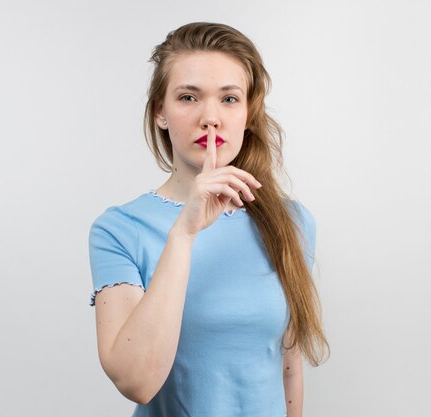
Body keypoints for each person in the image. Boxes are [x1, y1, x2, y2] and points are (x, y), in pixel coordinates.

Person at [87, 22, 329, 417]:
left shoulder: (292, 221)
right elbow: (137, 381)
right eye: (188, 97)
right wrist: (184, 232)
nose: (210, 117)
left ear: (248, 114)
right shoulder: (118, 230)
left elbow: (287, 365)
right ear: (160, 113)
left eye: (229, 99)